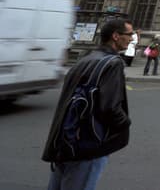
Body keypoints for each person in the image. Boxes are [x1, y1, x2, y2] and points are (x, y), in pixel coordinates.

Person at [42, 18, 132, 190]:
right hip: (88, 144)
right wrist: (125, 123)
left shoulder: (85, 59)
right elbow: (110, 108)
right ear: (115, 36)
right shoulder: (112, 63)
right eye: (129, 34)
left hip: (65, 140)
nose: (132, 38)